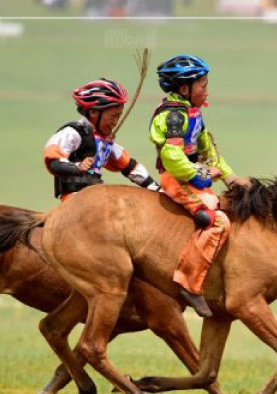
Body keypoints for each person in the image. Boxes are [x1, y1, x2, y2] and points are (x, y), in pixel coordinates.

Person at [149, 54, 249, 317]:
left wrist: (230, 178)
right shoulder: (173, 116)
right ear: (184, 88)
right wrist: (201, 177)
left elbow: (208, 151)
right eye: (202, 85)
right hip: (178, 179)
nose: (206, 90)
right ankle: (189, 284)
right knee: (217, 221)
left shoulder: (193, 113)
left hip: (191, 175)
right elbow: (172, 157)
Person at [44, 78, 160, 202]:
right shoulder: (73, 133)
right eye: (113, 116)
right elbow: (53, 160)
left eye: (119, 116)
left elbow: (129, 166)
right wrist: (77, 167)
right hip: (74, 199)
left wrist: (155, 188)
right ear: (93, 112)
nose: (116, 122)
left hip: (95, 195)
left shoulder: (104, 142)